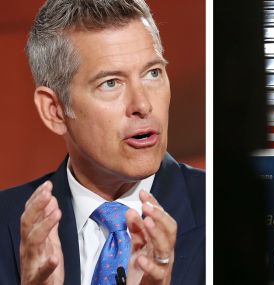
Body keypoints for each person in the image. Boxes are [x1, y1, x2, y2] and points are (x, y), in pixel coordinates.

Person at [0, 0, 205, 284]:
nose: (143, 104)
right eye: (110, 83)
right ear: (55, 110)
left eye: (153, 73)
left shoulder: (225, 210)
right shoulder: (5, 226)